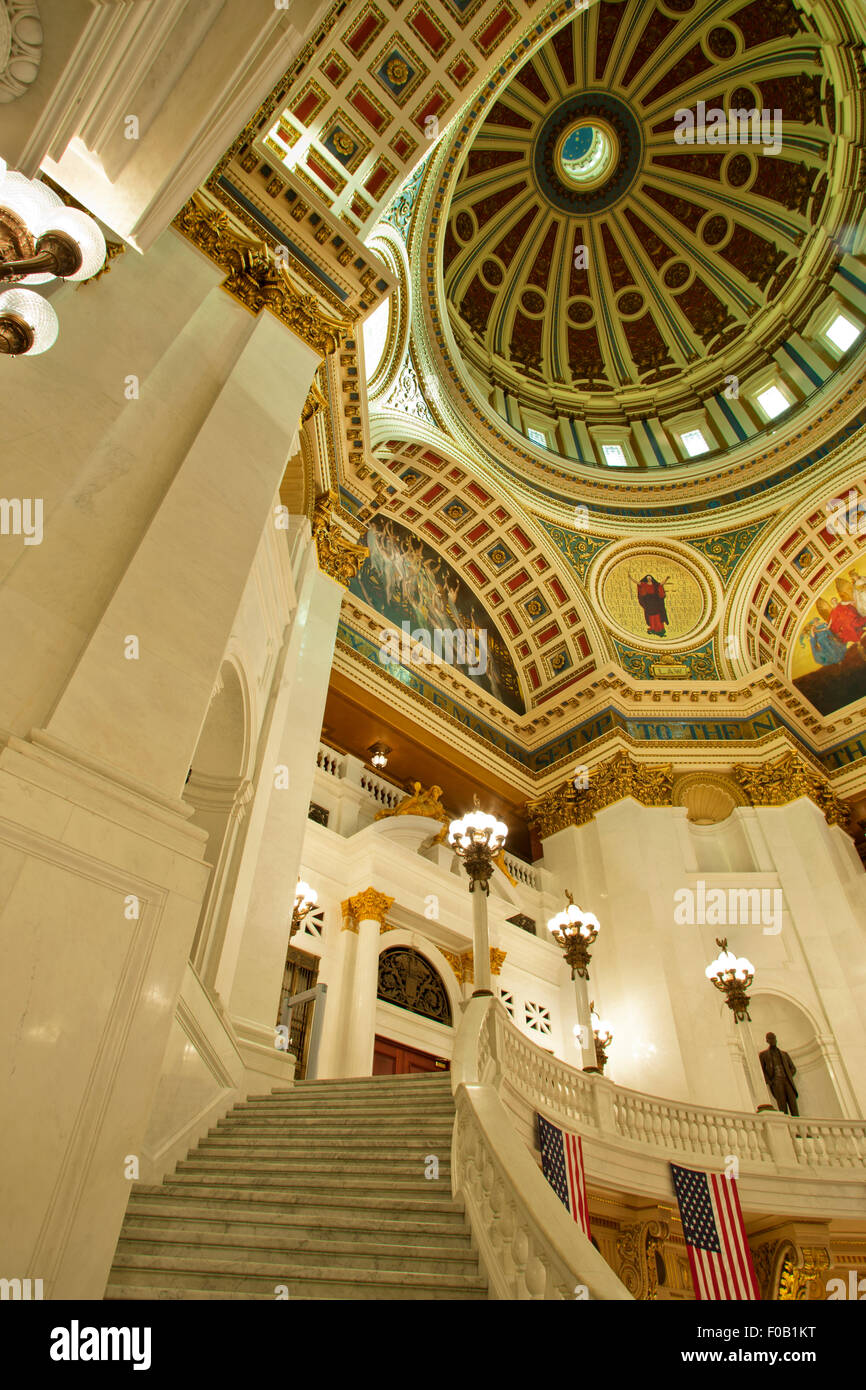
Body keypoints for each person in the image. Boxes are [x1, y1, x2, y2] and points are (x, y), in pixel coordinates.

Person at [759, 1031, 799, 1116]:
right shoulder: (763, 1055)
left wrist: (788, 1075)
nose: (773, 1040)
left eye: (773, 1038)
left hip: (787, 1080)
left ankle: (798, 1123)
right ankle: (788, 1126)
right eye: (770, 1039)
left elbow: (793, 1068)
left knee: (793, 1104)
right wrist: (770, 1082)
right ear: (767, 1041)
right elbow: (762, 1070)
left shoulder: (784, 1054)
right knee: (782, 1106)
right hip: (776, 1081)